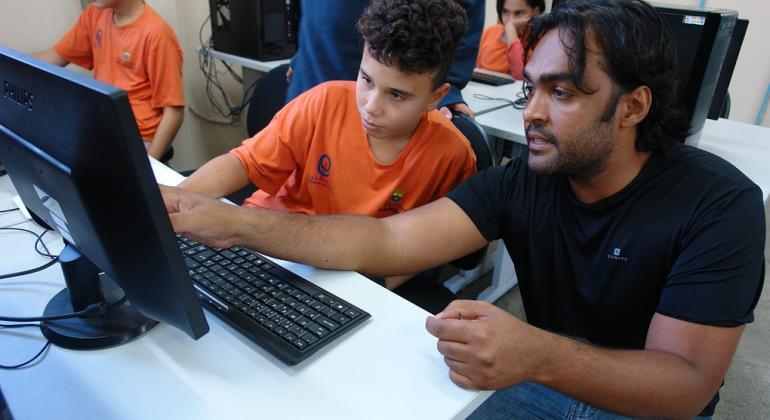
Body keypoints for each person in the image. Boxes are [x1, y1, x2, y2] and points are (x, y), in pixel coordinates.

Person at [160, 0, 765, 417]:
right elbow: (386, 243)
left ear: (633, 108)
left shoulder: (719, 206)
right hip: (534, 379)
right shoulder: (521, 181)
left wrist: (537, 352)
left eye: (563, 93)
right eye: (532, 88)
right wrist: (237, 223)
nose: (529, 113)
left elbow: (685, 386)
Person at [178, 0, 476, 292]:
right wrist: (176, 202)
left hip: (348, 276)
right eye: (366, 80)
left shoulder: (451, 155)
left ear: (437, 97)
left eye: (397, 95)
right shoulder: (323, 102)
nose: (371, 107)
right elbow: (243, 162)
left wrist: (374, 290)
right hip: (265, 243)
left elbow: (426, 246)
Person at [34, 0, 184, 161]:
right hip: (106, 129)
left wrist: (148, 167)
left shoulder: (156, 33)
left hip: (139, 139)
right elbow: (55, 56)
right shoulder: (95, 14)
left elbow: (173, 111)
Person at [285, 0, 484, 118]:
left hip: (378, 97)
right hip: (309, 78)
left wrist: (447, 85)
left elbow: (467, 12)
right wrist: (302, 52)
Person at [475, 0, 544, 79]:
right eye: (506, 12)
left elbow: (520, 75)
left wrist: (510, 30)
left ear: (535, 13)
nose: (511, 20)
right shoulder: (489, 32)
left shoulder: (540, 41)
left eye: (518, 13)